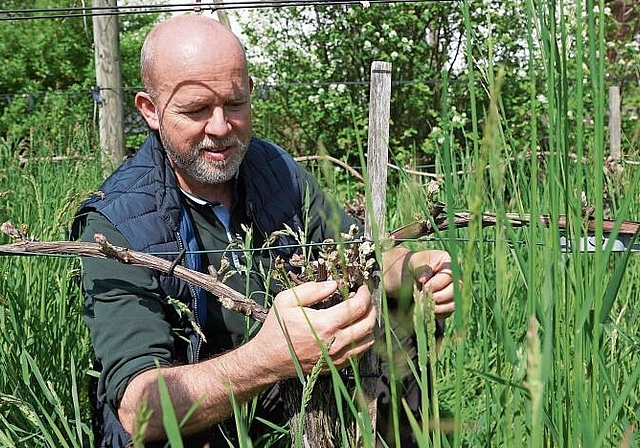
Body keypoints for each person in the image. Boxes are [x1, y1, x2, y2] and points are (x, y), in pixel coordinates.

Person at [72, 14, 456, 447]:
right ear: (150, 110)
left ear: (251, 93)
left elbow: (352, 250)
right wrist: (269, 359)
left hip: (291, 409)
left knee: (395, 321)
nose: (220, 128)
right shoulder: (115, 224)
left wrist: (408, 268)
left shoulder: (273, 169)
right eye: (196, 109)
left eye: (234, 104)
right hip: (205, 430)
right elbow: (137, 408)